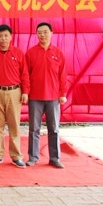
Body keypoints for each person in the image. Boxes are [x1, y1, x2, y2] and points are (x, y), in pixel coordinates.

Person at [0, 24, 30, 168]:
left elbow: (24, 74)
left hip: (14, 92)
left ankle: (16, 156)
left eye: (6, 36)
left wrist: (25, 92)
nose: (3, 38)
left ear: (11, 37)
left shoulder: (18, 53)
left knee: (14, 125)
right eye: (0, 36)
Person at [26, 22, 67, 169]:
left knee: (54, 129)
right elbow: (26, 75)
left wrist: (63, 94)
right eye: (39, 32)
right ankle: (33, 157)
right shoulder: (31, 53)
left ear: (51, 33)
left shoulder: (58, 53)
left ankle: (54, 158)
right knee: (34, 129)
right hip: (35, 97)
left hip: (54, 97)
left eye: (45, 32)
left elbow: (63, 75)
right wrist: (26, 92)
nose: (42, 35)